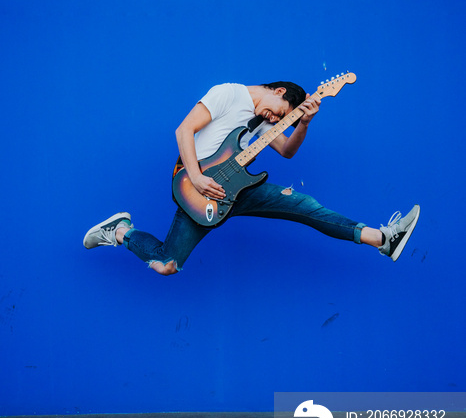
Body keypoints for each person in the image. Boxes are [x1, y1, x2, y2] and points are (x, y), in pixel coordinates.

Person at [83, 81, 420, 274]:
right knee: (166, 265)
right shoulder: (228, 93)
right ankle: (120, 231)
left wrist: (302, 123)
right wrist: (198, 178)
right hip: (199, 188)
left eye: (282, 119)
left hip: (239, 190)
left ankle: (384, 239)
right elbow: (183, 130)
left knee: (305, 206)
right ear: (277, 90)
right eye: (280, 112)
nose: (276, 119)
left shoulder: (262, 125)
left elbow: (287, 151)